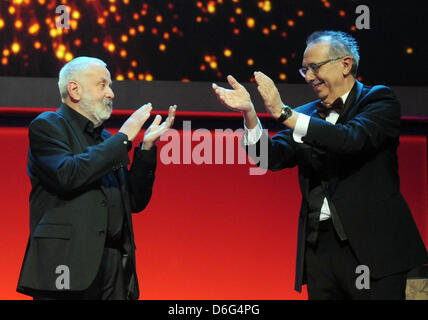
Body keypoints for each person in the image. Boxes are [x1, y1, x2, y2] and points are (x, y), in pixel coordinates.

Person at [212, 30, 427, 299]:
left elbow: (350, 140)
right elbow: (269, 157)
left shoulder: (378, 100)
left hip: (374, 251)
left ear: (345, 64)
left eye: (315, 67)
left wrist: (284, 113)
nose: (310, 77)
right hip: (319, 252)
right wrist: (250, 115)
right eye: (305, 71)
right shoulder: (305, 114)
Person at [17, 56, 177, 300]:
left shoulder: (105, 139)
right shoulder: (48, 126)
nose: (111, 93)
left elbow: (133, 201)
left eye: (110, 86)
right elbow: (67, 174)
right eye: (102, 85)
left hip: (113, 270)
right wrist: (123, 137)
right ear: (75, 90)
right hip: (67, 268)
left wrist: (146, 148)